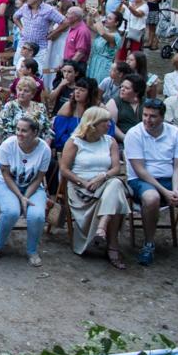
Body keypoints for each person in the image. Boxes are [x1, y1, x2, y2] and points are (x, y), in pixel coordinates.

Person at [125, 99, 178, 276]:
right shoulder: (134, 133)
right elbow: (139, 169)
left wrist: (176, 189)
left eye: (153, 116)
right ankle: (149, 243)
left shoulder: (175, 133)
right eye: (145, 115)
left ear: (163, 117)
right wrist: (164, 191)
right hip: (143, 180)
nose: (148, 120)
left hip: (171, 179)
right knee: (152, 198)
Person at [58, 107, 129, 268]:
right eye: (105, 121)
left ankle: (102, 227)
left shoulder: (110, 141)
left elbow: (116, 168)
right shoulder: (74, 142)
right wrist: (83, 182)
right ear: (93, 124)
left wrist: (102, 176)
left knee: (115, 183)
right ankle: (113, 247)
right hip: (81, 187)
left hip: (104, 183)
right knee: (116, 193)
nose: (109, 124)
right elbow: (64, 170)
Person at [0, 117, 51, 267]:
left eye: (24, 130)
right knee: (11, 211)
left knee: (37, 215)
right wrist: (21, 197)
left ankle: (32, 250)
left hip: (33, 186)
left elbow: (39, 178)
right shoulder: (8, 145)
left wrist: (26, 196)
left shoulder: (44, 150)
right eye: (18, 130)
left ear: (35, 133)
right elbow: (6, 174)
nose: (19, 134)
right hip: (7, 185)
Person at [0, 76, 53, 144]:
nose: (22, 93)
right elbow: (4, 131)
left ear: (32, 94)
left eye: (26, 91)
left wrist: (46, 146)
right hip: (15, 145)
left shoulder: (41, 107)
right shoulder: (9, 106)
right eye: (20, 90)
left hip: (38, 145)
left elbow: (48, 130)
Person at [85, 9, 122, 84]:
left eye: (109, 18)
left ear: (116, 23)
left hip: (103, 66)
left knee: (98, 86)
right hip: (94, 62)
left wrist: (98, 18)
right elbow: (90, 25)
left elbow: (102, 33)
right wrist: (90, 14)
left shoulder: (116, 36)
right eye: (106, 17)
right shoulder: (104, 29)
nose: (106, 20)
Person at [107, 74, 145, 143]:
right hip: (122, 141)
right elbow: (111, 125)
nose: (122, 89)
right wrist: (125, 138)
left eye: (127, 88)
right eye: (121, 87)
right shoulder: (114, 102)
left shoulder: (145, 103)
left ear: (137, 92)